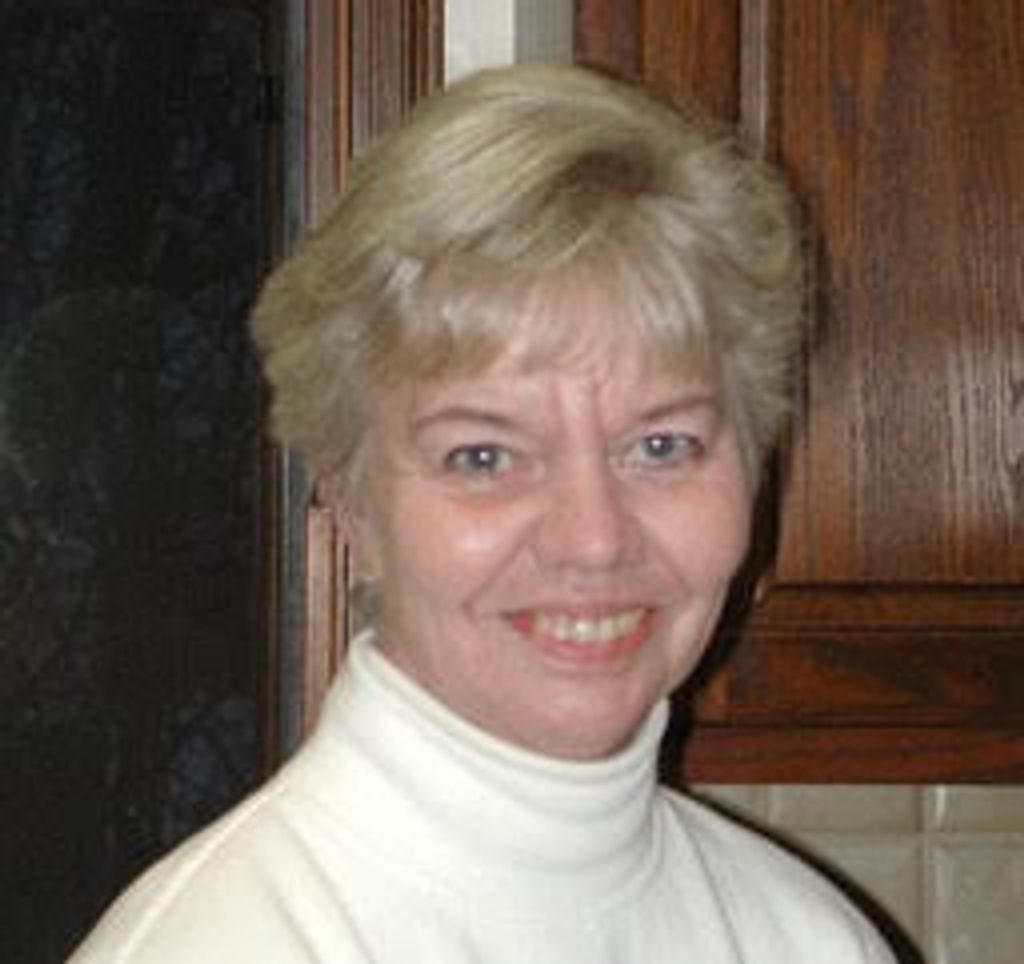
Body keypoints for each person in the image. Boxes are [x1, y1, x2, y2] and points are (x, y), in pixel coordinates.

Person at [70, 64, 896, 963]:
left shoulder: (809, 941)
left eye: (662, 446)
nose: (593, 540)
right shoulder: (231, 943)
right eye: (484, 457)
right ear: (350, 504)